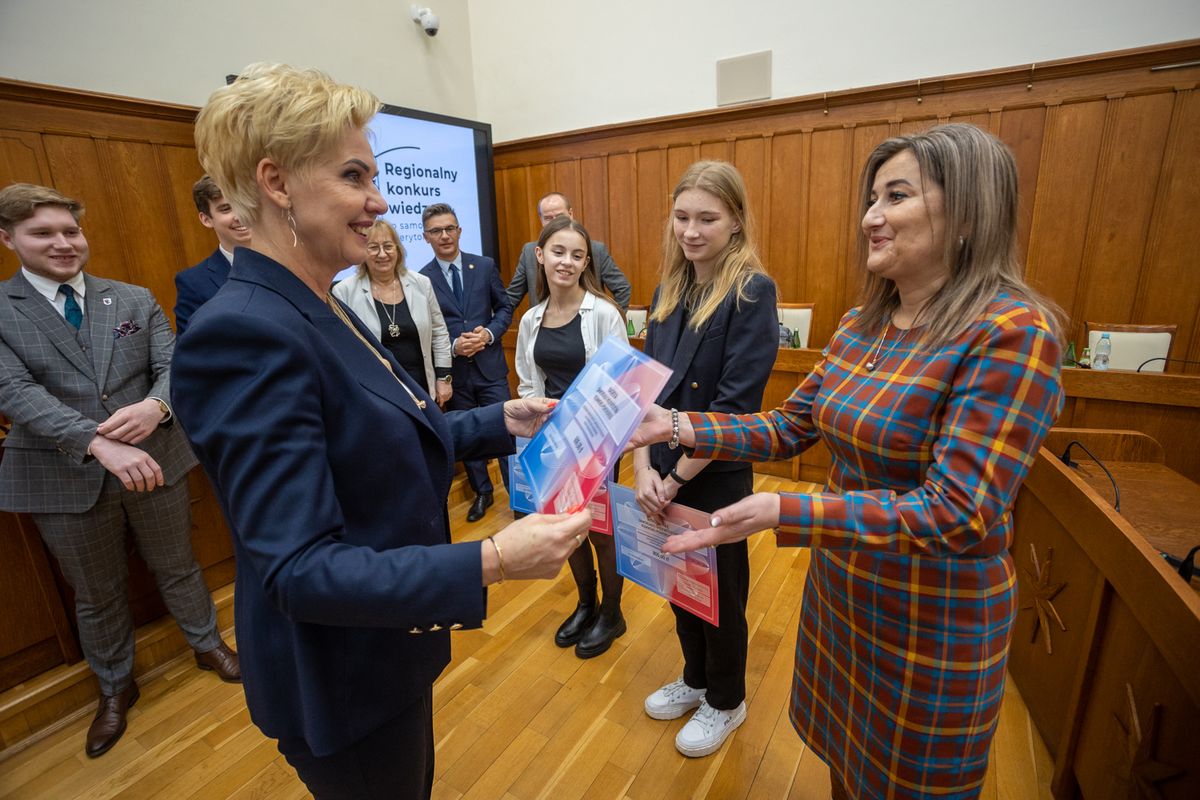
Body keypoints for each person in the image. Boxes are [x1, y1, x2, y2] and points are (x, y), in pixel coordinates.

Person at [172, 63, 590, 800]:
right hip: (342, 679)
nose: (379, 200)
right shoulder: (242, 333)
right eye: (353, 175)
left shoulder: (316, 302)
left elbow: (374, 438)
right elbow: (300, 568)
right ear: (276, 182)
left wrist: (499, 420)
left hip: (386, 646)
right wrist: (491, 559)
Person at [631, 124, 1064, 798]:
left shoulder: (1012, 333)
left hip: (928, 619)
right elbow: (787, 426)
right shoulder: (862, 325)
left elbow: (958, 511)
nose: (871, 217)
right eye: (872, 198)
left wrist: (783, 509)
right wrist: (678, 424)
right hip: (843, 597)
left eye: (897, 196)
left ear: (968, 212)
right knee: (844, 770)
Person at [0, 182, 240, 760]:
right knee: (97, 593)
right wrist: (94, 442)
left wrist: (158, 405)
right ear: (8, 239)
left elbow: (175, 363)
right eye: (43, 233)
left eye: (71, 231)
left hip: (157, 461)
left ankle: (209, 645)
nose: (63, 243)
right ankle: (114, 687)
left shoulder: (131, 299)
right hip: (63, 477)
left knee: (179, 565)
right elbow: (14, 390)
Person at [633, 161, 778, 758]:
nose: (691, 231)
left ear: (736, 220)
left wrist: (671, 479)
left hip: (713, 473)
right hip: (661, 466)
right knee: (678, 583)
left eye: (707, 219)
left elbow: (734, 409)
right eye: (682, 217)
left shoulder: (751, 292)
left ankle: (726, 699)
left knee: (720, 595)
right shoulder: (668, 289)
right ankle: (695, 679)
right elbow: (645, 391)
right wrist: (643, 470)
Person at [515, 215, 628, 658]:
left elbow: (620, 384)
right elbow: (528, 382)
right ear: (540, 256)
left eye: (577, 255)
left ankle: (612, 614)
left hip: (596, 440)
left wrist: (585, 426)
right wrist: (540, 416)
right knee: (567, 527)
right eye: (558, 252)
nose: (566, 261)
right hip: (552, 439)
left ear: (586, 264)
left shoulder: (603, 314)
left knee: (600, 531)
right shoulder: (531, 318)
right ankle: (586, 604)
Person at [418, 202, 513, 522]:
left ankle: (519, 496)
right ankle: (482, 491)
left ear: (459, 231)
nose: (444, 235)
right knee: (469, 437)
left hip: (490, 368)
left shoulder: (484, 266)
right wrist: (454, 346)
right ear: (426, 237)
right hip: (455, 374)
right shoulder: (422, 279)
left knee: (506, 429)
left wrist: (488, 334)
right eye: (436, 231)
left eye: (450, 228)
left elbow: (504, 309)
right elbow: (428, 328)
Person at [332, 219, 453, 404]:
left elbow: (439, 333)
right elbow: (344, 348)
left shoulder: (421, 283)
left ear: (398, 250)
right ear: (363, 251)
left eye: (388, 246)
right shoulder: (344, 291)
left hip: (422, 387)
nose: (382, 254)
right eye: (373, 247)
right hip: (376, 392)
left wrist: (444, 378)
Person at [506, 191, 631, 312]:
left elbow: (622, 288)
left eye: (577, 256)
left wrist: (612, 321)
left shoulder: (596, 250)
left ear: (570, 214)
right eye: (548, 218)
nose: (555, 222)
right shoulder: (529, 252)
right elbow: (511, 298)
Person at [174, 175, 251, 335]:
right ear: (206, 219)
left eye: (243, 204)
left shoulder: (290, 260)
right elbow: (194, 346)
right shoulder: (193, 283)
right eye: (226, 209)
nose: (240, 215)